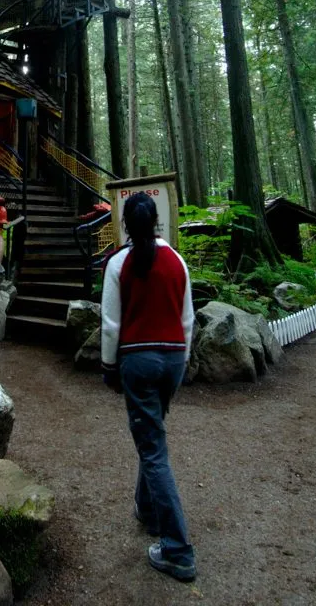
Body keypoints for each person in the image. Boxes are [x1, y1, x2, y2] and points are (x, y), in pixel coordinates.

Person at [101, 191, 196, 583]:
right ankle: (148, 507)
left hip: (138, 361)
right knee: (151, 434)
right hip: (173, 358)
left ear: (124, 223)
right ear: (157, 220)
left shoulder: (118, 263)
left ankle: (178, 550)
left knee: (153, 449)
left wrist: (109, 366)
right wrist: (183, 361)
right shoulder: (177, 260)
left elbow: (111, 323)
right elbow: (188, 318)